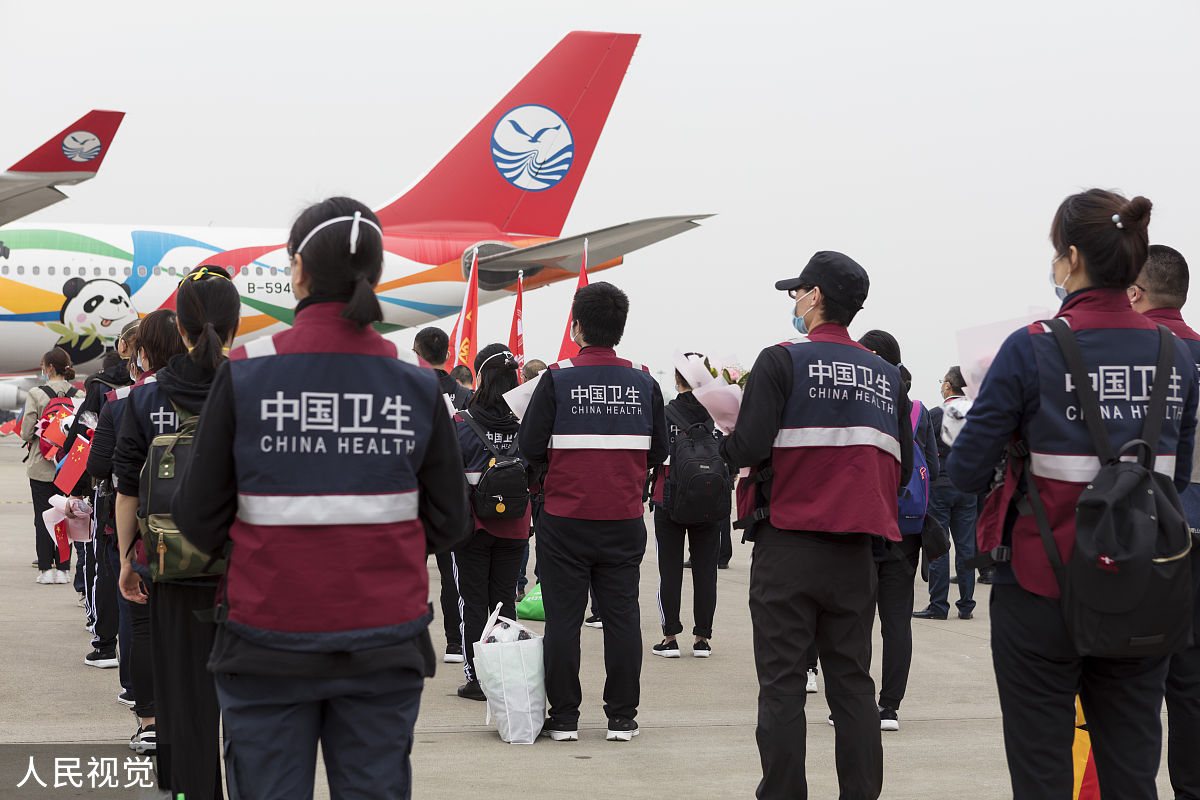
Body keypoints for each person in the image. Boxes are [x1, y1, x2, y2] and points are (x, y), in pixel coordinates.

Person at [174, 198, 470, 800]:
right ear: (377, 275)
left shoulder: (246, 373)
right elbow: (450, 519)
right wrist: (377, 550)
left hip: (266, 639)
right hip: (384, 642)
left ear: (298, 271)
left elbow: (196, 515)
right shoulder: (415, 384)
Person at [948, 190, 1198, 799]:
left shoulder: (1031, 346)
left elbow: (965, 471)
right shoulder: (1177, 357)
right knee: (1133, 771)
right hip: (1143, 588)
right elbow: (1180, 477)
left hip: (1042, 589)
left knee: (1042, 772)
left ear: (1074, 258)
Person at [720, 251, 912, 800]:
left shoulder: (781, 361)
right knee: (852, 685)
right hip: (856, 552)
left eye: (797, 292)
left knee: (782, 684)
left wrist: (724, 438)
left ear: (816, 296)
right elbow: (897, 469)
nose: (794, 302)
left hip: (788, 544)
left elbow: (750, 445)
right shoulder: (888, 377)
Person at [519, 281, 667, 742]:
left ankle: (564, 717)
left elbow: (528, 446)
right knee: (622, 616)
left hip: (565, 518)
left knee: (564, 618)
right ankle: (622, 717)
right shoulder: (645, 382)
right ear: (620, 328)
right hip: (623, 518)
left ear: (576, 325)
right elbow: (659, 450)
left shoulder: (557, 378)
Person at [114, 265, 241, 800]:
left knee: (184, 710)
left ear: (181, 330)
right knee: (247, 706)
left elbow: (126, 487)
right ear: (235, 326)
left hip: (171, 572)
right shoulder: (257, 393)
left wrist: (127, 560)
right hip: (245, 576)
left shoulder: (145, 400)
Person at [88, 309, 185, 761]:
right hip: (204, 534)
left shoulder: (125, 400)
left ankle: (149, 723)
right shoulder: (215, 392)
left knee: (142, 626)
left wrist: (126, 552)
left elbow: (103, 470)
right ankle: (195, 719)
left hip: (145, 531)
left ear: (141, 350)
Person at [1127, 243, 1200, 800]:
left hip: (1143, 542)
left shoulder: (1130, 356)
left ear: (1135, 290)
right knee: (1192, 688)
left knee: (1126, 689)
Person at [858, 329, 938, 731]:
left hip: (864, 525)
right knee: (896, 622)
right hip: (905, 531)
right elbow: (933, 470)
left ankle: (850, 705)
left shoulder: (863, 399)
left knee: (854, 620)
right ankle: (890, 708)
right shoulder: (917, 408)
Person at [452, 343, 531, 701]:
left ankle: (476, 679)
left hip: (471, 529)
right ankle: (504, 670)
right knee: (504, 600)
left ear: (480, 377)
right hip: (515, 528)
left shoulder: (461, 424)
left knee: (473, 601)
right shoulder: (526, 425)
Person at [64, 325, 135, 680]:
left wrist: (74, 487)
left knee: (105, 567)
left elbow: (84, 438)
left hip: (111, 491)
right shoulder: (172, 385)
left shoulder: (103, 388)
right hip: (171, 496)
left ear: (123, 345)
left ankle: (106, 644)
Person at [649, 354, 723, 659]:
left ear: (676, 380)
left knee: (670, 570)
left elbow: (653, 454)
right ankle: (702, 638)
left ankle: (670, 638)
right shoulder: (717, 414)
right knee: (706, 571)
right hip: (710, 500)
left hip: (669, 498)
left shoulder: (665, 414)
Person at [413, 325, 470, 664]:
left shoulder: (405, 388)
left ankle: (411, 640)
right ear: (448, 355)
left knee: (412, 572)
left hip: (412, 496)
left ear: (416, 352)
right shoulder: (464, 395)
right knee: (453, 576)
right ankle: (454, 643)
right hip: (452, 495)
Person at [915, 365, 977, 620]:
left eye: (943, 382)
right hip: (968, 487)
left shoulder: (934, 414)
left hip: (940, 486)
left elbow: (925, 450)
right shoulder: (979, 414)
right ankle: (966, 606)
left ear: (948, 385)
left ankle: (939, 606)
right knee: (966, 547)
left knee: (939, 546)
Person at [21, 347, 81, 585]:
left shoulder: (36, 394)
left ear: (49, 367)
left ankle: (46, 570)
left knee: (42, 516)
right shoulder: (77, 395)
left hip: (41, 467)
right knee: (66, 516)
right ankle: (64, 569)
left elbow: (26, 432)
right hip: (69, 467)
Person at [517, 358, 549, 599]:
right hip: (550, 487)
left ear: (524, 379)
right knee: (547, 544)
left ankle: (519, 587)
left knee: (522, 539)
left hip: (528, 486)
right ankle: (542, 588)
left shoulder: (519, 406)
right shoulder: (555, 402)